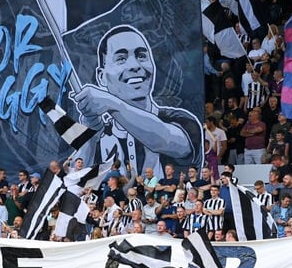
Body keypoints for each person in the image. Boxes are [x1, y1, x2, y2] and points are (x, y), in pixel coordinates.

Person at [72, 25, 203, 178]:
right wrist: (91, 136)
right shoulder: (101, 134)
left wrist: (110, 103)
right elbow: (78, 179)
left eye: (141, 56)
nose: (135, 66)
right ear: (101, 76)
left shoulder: (181, 120)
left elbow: (165, 141)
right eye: (121, 58)